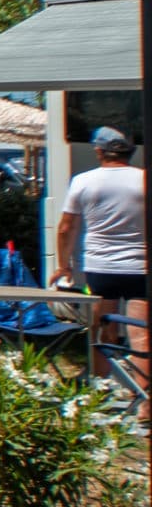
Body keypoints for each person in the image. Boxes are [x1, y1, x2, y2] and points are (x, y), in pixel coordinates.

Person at [54, 125, 147, 416]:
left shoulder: (84, 181)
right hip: (140, 268)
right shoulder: (144, 179)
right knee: (141, 336)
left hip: (101, 268)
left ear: (99, 150)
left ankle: (99, 391)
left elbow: (67, 227)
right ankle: (144, 402)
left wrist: (63, 264)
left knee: (101, 332)